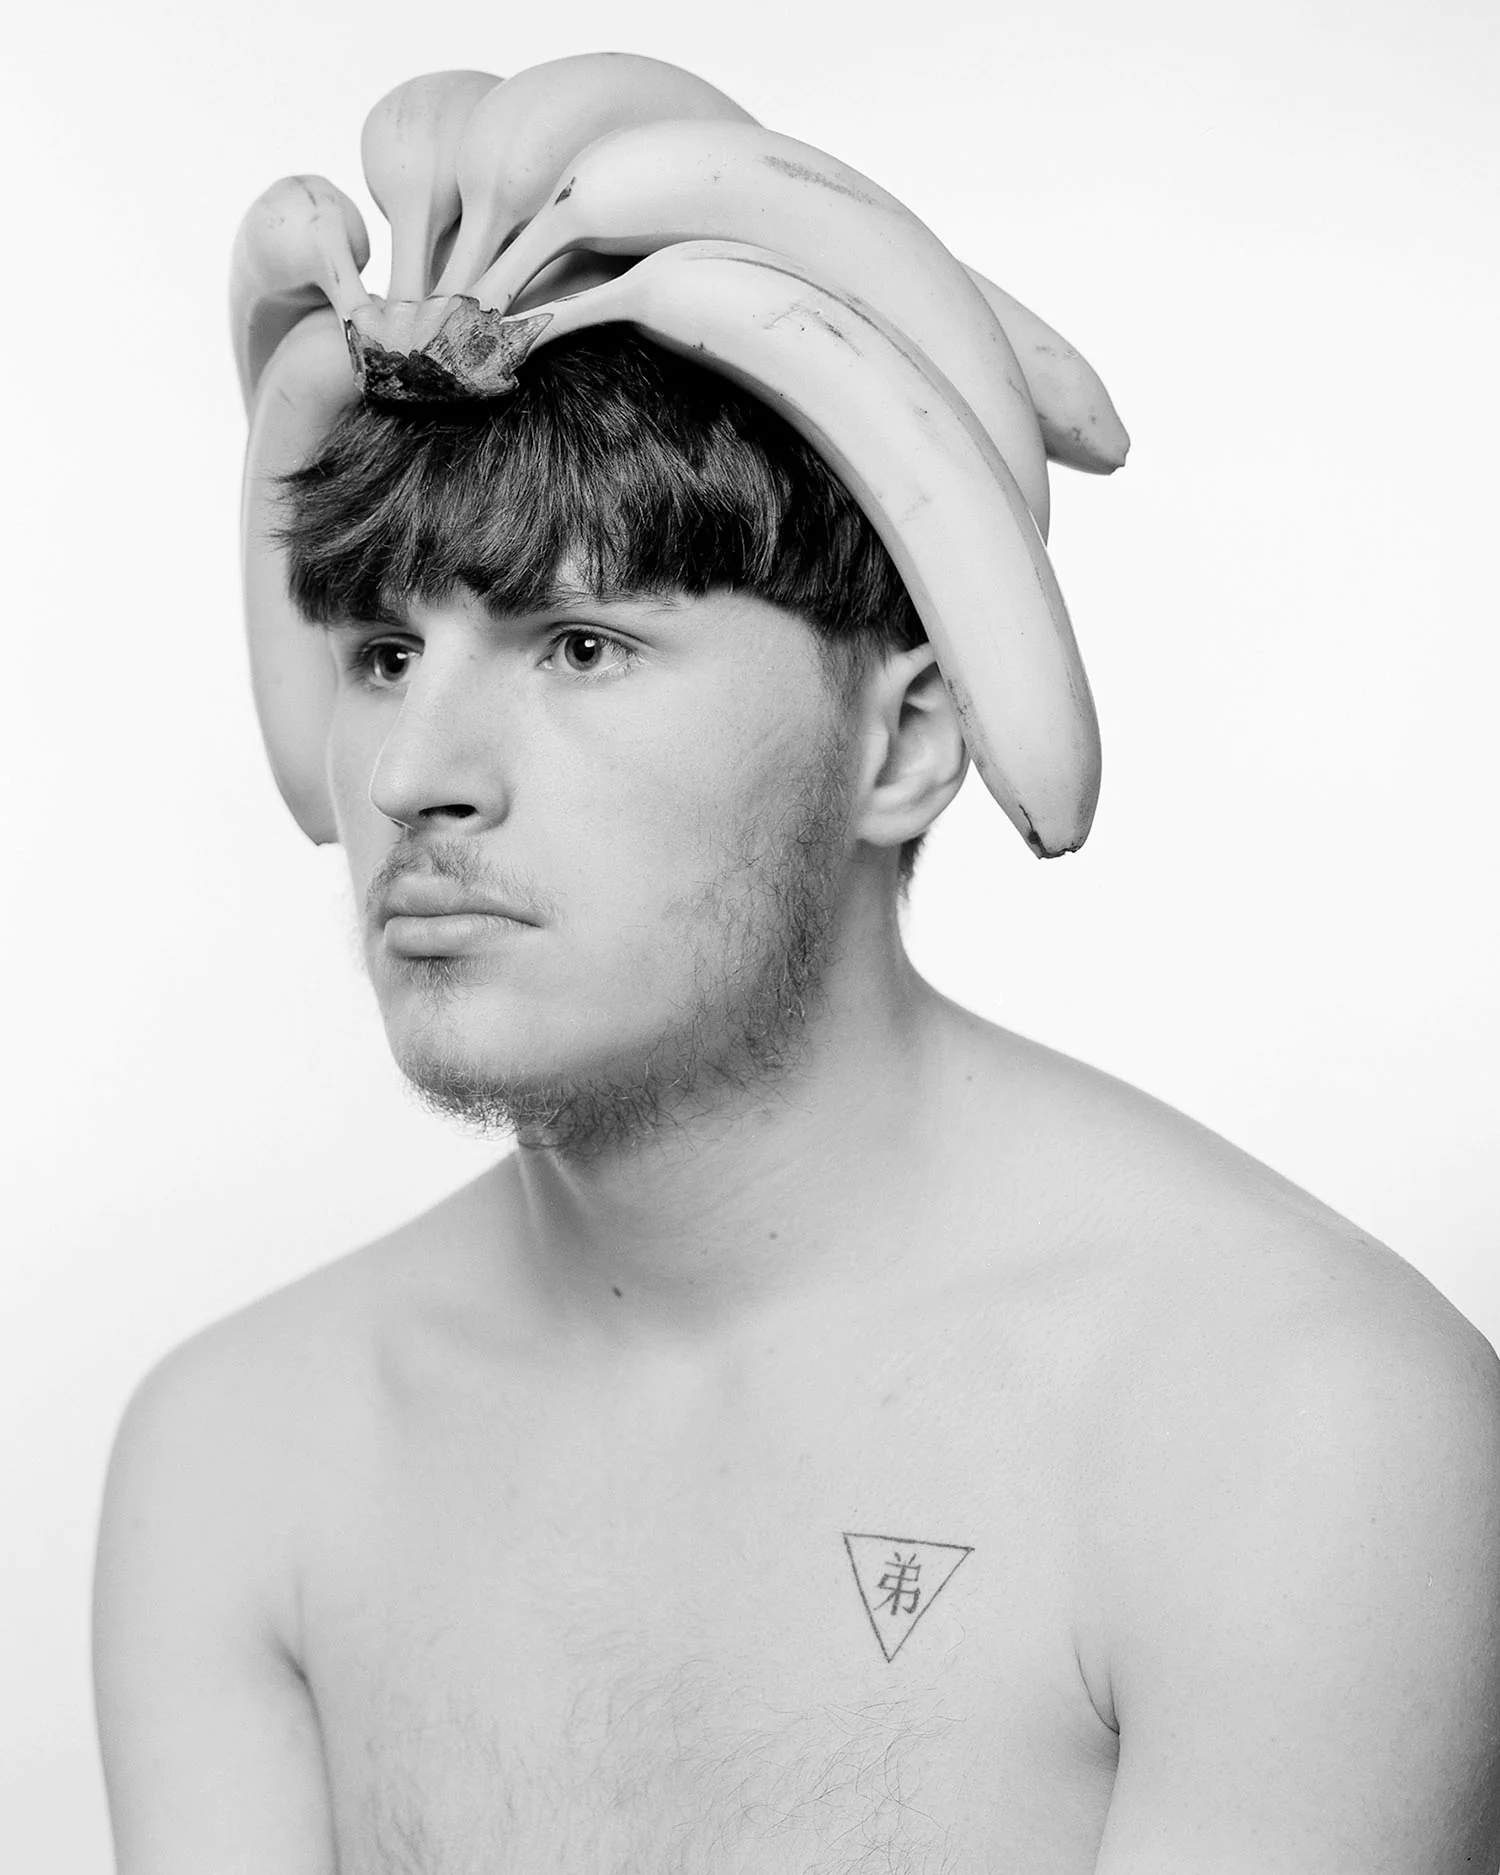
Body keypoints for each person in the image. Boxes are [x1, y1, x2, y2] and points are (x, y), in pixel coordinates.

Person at [93, 324, 1500, 1873]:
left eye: (579, 644)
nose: (415, 774)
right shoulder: (239, 1453)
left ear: (898, 741)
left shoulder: (1299, 1430)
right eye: (381, 653)